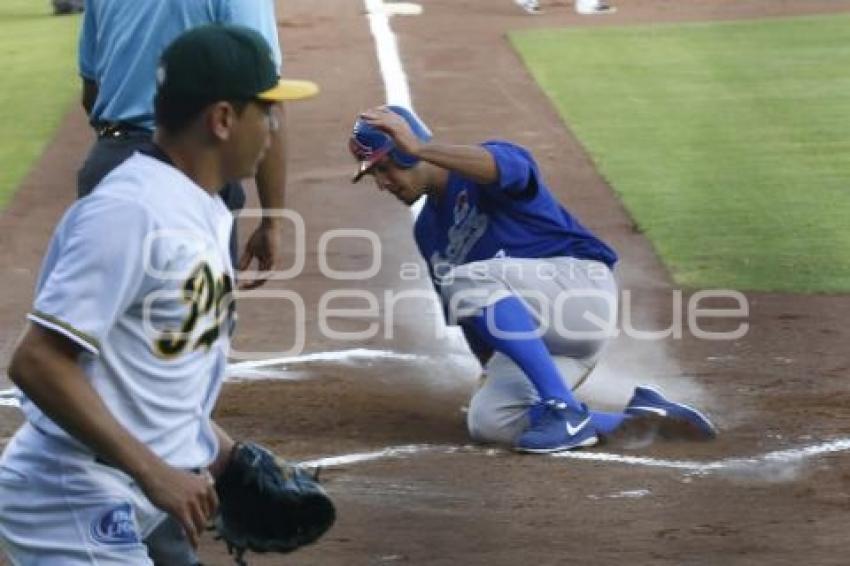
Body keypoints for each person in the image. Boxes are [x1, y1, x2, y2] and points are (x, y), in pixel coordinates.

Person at [0, 24, 316, 564]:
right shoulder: (131, 212)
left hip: (132, 486)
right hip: (72, 496)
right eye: (265, 110)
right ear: (222, 119)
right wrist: (155, 471)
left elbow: (148, 370)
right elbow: (36, 362)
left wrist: (223, 454)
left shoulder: (206, 208)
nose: (273, 126)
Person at [348, 106, 716, 453]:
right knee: (489, 420)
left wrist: (424, 148)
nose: (382, 183)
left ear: (409, 153)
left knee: (464, 280)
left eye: (384, 168)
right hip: (551, 343)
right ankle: (648, 420)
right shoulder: (428, 230)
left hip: (578, 295)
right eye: (373, 176)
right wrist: (490, 372)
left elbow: (515, 169)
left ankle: (563, 409)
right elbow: (474, 322)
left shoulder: (480, 167)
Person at [77, 0, 295, 289]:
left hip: (109, 162)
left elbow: (90, 92)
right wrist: (272, 221)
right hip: (192, 170)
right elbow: (263, 94)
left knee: (103, 316)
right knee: (196, 325)